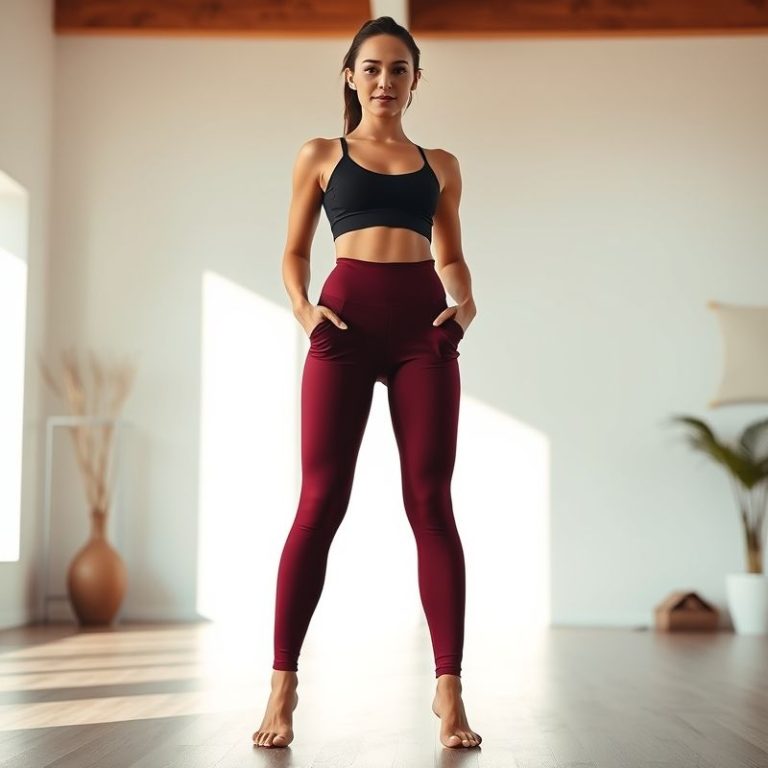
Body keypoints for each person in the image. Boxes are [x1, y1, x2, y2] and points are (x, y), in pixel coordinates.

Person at [252, 15, 481, 751]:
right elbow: (293, 250)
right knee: (320, 502)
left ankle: (449, 691)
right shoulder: (321, 154)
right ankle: (282, 686)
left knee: (431, 503)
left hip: (423, 332)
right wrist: (305, 312)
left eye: (399, 69)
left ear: (416, 82)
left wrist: (465, 305)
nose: (385, 81)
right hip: (343, 328)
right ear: (350, 76)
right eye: (372, 68)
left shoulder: (441, 164)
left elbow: (451, 256)